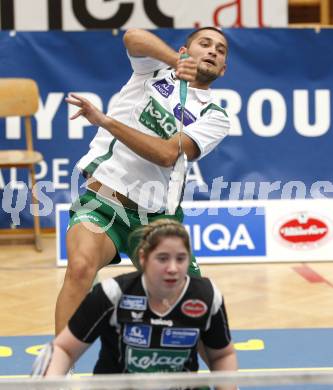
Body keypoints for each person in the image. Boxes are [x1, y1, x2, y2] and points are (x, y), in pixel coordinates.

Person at [55, 27, 230, 335]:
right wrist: (174, 61)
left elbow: (166, 155)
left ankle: (216, 379)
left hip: (156, 219)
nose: (213, 50)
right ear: (185, 50)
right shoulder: (155, 70)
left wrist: (107, 122)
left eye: (221, 49)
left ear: (223, 69)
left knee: (192, 300)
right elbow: (133, 37)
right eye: (205, 43)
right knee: (81, 267)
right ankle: (57, 372)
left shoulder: (215, 116)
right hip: (104, 202)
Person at [35, 220, 238, 390]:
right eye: (162, 258)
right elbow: (64, 348)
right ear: (143, 258)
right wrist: (53, 380)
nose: (173, 268)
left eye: (181, 259)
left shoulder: (206, 296)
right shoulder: (112, 294)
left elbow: (222, 354)